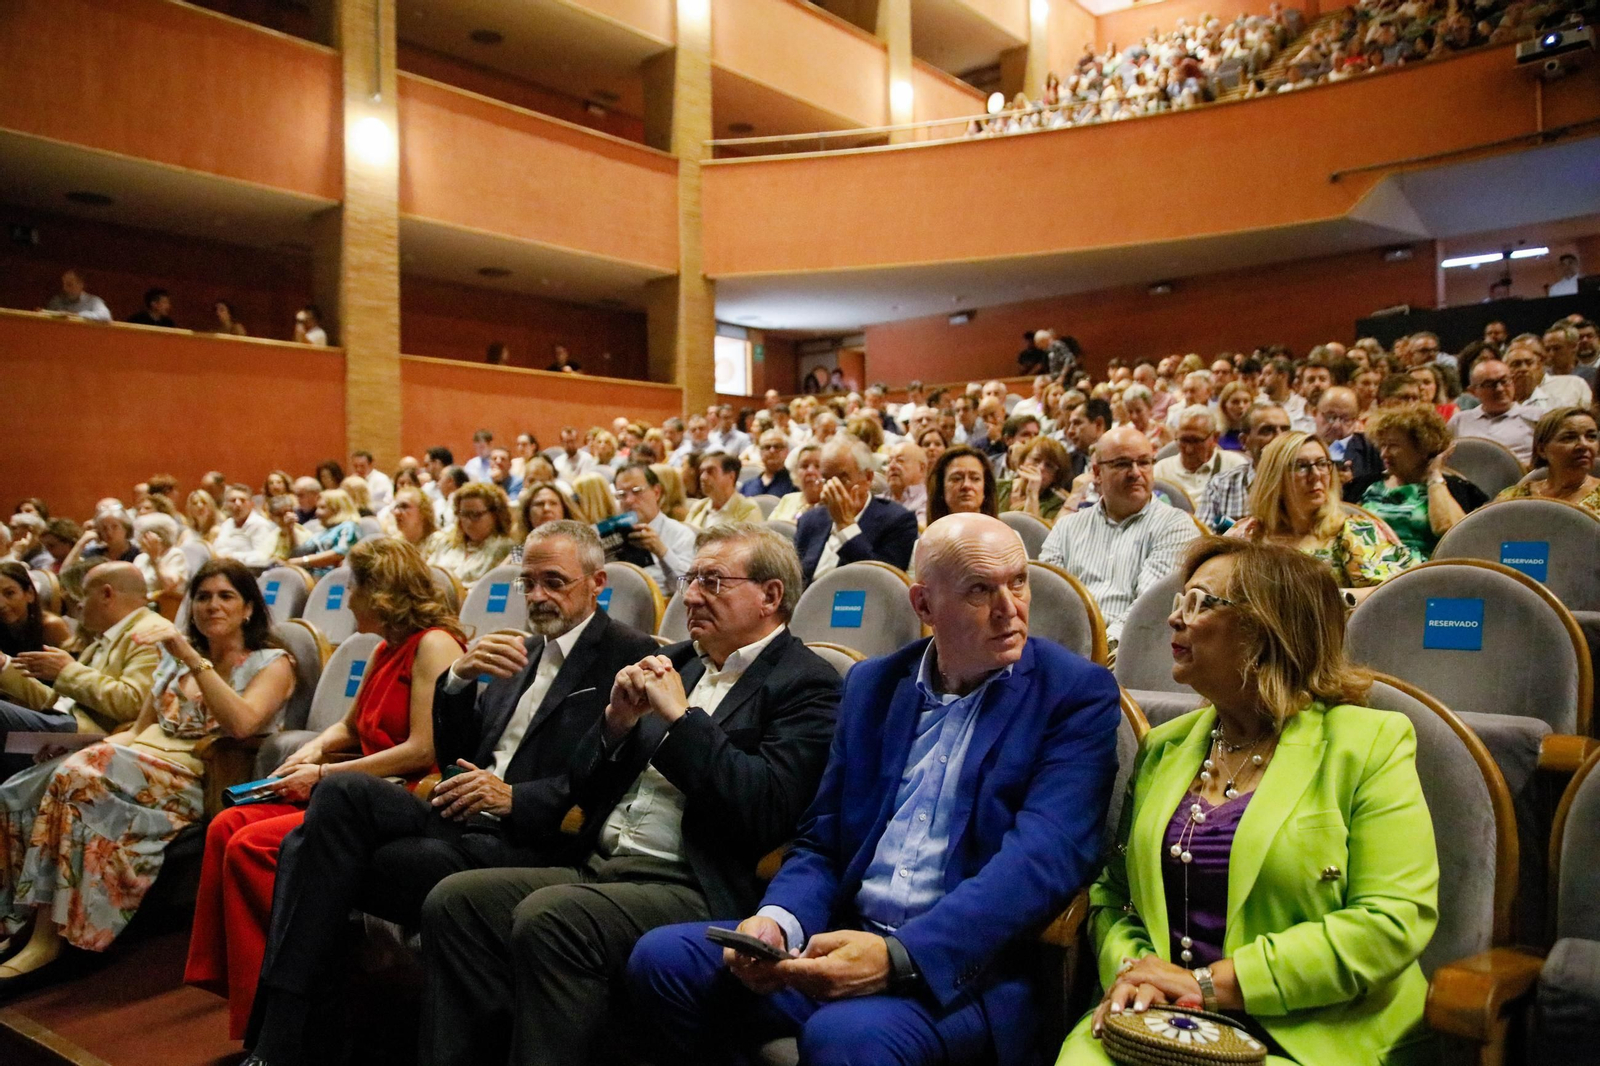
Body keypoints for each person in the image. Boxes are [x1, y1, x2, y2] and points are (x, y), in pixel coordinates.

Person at [629, 513, 1122, 1066]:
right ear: (924, 606)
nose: (1011, 608)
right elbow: (822, 842)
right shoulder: (875, 685)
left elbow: (1043, 860)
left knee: (846, 1036)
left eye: (1018, 582)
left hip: (964, 969)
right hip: (842, 937)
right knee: (663, 960)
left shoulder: (1074, 693)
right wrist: (779, 921)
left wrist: (899, 956)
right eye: (981, 590)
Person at [232, 526, 666, 1064]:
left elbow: (605, 774)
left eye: (554, 582)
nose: (537, 597)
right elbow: (461, 750)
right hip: (458, 813)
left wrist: (514, 797)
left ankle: (284, 1034)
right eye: (528, 583)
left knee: (307, 850)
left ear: (597, 583)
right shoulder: (521, 649)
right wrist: (458, 682)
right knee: (340, 793)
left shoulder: (628, 654)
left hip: (525, 839)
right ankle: (295, 1033)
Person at [412, 524, 841, 1066]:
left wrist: (682, 720)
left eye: (712, 581)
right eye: (690, 579)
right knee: (456, 902)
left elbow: (765, 808)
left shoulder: (808, 683)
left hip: (693, 884)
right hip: (602, 865)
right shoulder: (678, 661)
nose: (690, 595)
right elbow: (582, 788)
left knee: (551, 917)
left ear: (770, 596)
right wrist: (614, 725)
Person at [1056, 537, 1439, 1066]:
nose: (1175, 620)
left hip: (1312, 1033)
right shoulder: (1166, 746)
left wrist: (1208, 985)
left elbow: (1389, 923)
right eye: (1178, 602)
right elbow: (1114, 896)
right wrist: (1137, 972)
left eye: (1199, 603)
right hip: (1159, 1022)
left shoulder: (1368, 743)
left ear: (1267, 627)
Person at [184, 539, 465, 1040]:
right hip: (355, 783)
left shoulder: (435, 644)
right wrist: (314, 750)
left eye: (354, 587)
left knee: (253, 846)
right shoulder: (386, 646)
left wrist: (324, 775)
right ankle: (250, 993)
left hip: (393, 798)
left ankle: (291, 1008)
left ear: (381, 592)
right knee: (228, 824)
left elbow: (423, 749)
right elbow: (351, 726)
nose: (348, 599)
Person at [0, 560, 295, 985]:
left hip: (200, 777)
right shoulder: (173, 665)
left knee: (80, 775)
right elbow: (135, 731)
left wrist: (193, 658)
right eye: (203, 597)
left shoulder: (272, 662)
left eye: (226, 596)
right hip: (136, 766)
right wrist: (72, 751)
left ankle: (49, 940)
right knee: (31, 783)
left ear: (249, 608)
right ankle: (20, 921)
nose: (213, 605)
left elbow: (243, 724)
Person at [1041, 426, 1200, 641]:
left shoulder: (1175, 526)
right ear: (1097, 473)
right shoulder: (1066, 528)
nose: (1135, 472)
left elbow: (1148, 610)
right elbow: (1048, 600)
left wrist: (1100, 650)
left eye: (1144, 462)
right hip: (1067, 646)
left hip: (1129, 651)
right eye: (1122, 464)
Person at [0, 562, 167, 763]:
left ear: (107, 594)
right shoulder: (108, 636)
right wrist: (5, 666)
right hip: (68, 724)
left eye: (85, 595)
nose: (79, 605)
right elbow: (56, 703)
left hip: (100, 739)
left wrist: (68, 670)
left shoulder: (150, 632)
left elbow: (133, 703)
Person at [1232, 433, 1417, 600]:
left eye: (1322, 464)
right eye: (1302, 466)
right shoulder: (1249, 533)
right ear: (1274, 478)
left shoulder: (1354, 532)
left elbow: (1392, 591)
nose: (1316, 475)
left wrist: (1325, 600)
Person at [1361, 403, 1486, 560]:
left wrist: (1434, 474)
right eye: (1382, 445)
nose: (1384, 454)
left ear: (1423, 448)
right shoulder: (1365, 486)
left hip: (1422, 574)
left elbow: (1451, 531)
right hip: (1367, 571)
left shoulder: (1455, 488)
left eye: (1393, 446)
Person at [795, 439, 918, 585]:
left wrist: (846, 525)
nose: (832, 488)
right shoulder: (810, 520)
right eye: (826, 479)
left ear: (868, 478)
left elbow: (881, 584)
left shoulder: (898, 521)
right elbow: (795, 580)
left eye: (842, 479)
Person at [1196, 405, 1292, 533]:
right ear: (1244, 441)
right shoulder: (1221, 485)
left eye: (1285, 430)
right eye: (1267, 431)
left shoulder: (1306, 482)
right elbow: (1202, 538)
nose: (1279, 438)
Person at [1494, 406, 1600, 514]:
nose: (1584, 445)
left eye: (1591, 437)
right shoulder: (1513, 498)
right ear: (1542, 450)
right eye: (1569, 437)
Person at [614, 464, 696, 591]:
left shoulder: (681, 534)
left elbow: (687, 587)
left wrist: (661, 551)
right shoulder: (613, 534)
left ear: (656, 492)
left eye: (636, 491)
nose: (629, 500)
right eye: (622, 494)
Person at [1448, 358, 1539, 465]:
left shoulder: (1537, 417)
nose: (1499, 389)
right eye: (1489, 384)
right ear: (1473, 391)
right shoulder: (1459, 421)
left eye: (1504, 381)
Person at [427, 483, 516, 591]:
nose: (468, 521)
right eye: (464, 514)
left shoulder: (506, 549)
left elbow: (499, 596)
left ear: (495, 515)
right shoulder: (445, 543)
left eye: (475, 515)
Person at [1154, 408, 1246, 505]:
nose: (1189, 449)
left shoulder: (1235, 467)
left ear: (1215, 437)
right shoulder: (1161, 470)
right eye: (1184, 440)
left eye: (1196, 441)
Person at [1314, 386, 1384, 502]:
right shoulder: (1299, 448)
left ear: (1357, 419)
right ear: (1315, 413)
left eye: (1346, 419)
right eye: (1330, 417)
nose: (1336, 425)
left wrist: (1351, 485)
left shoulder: (1373, 449)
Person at [283, 489, 361, 578]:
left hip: (335, 580)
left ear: (338, 509)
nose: (317, 513)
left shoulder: (349, 527)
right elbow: (300, 552)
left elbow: (340, 553)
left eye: (323, 508)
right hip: (313, 577)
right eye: (317, 508)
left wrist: (304, 561)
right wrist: (290, 529)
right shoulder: (323, 531)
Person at [0, 562, 71, 657]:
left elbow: (71, 667)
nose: (1, 604)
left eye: (9, 593)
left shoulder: (51, 626)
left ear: (29, 593)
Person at [999, 435, 1076, 522]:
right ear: (1022, 461)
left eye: (1049, 466)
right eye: (1036, 459)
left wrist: (1032, 494)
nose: (1040, 468)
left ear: (1055, 476)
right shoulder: (997, 486)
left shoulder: (1056, 504)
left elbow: (1031, 532)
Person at [926, 444, 999, 525]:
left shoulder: (1009, 536)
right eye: (957, 479)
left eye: (975, 478)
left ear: (985, 489)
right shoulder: (928, 537)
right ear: (941, 488)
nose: (966, 485)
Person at [686, 453, 762, 529]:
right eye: (701, 472)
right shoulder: (699, 507)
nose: (703, 477)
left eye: (710, 471)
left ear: (731, 476)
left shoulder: (747, 509)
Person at [132, 512, 190, 609]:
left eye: (145, 537)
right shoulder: (141, 558)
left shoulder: (175, 554)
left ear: (160, 538)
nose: (140, 541)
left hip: (164, 609)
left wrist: (156, 559)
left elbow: (170, 585)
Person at [770, 444, 825, 523]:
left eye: (817, 466)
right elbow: (770, 528)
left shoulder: (833, 506)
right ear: (796, 472)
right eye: (804, 466)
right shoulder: (788, 499)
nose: (810, 471)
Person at [882, 440, 929, 525]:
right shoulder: (878, 500)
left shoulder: (929, 500)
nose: (892, 466)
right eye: (889, 462)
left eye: (900, 461)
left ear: (921, 469)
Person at [741, 430, 797, 498]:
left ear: (786, 451)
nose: (772, 451)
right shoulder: (747, 487)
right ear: (760, 452)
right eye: (767, 447)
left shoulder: (796, 484)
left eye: (777, 446)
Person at [41, 269, 111, 321]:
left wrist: (77, 315)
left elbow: (105, 316)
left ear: (81, 284)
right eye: (63, 284)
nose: (64, 288)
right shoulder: (57, 301)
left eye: (69, 284)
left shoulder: (94, 301)